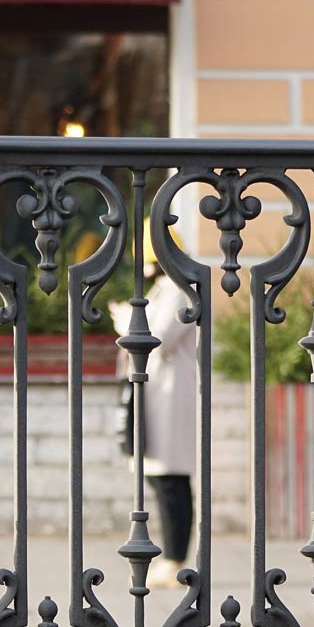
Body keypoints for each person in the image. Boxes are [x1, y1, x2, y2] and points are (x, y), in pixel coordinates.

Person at [116, 248, 197, 590]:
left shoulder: (180, 290)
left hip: (170, 396)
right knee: (161, 479)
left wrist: (125, 320)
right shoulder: (163, 289)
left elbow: (158, 336)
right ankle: (171, 558)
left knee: (171, 480)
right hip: (156, 394)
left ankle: (175, 560)